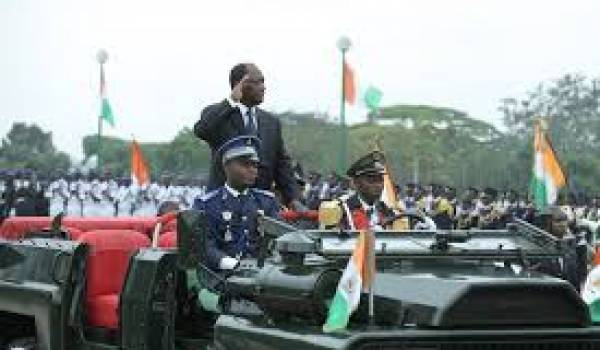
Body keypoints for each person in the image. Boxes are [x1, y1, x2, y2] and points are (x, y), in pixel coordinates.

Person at [194, 63, 302, 210]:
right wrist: (231, 101)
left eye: (263, 82)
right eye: (257, 82)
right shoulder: (220, 115)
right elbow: (202, 130)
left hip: (260, 208)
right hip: (222, 208)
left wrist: (293, 199)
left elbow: (281, 165)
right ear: (239, 85)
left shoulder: (271, 122)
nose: (263, 87)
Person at [194, 135, 280, 272]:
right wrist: (228, 263)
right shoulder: (207, 204)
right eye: (245, 165)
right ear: (226, 167)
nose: (253, 170)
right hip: (221, 277)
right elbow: (204, 245)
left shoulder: (266, 201)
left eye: (255, 165)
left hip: (262, 275)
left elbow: (278, 238)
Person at [325, 151, 404, 231]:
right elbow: (330, 241)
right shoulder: (340, 209)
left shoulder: (387, 211)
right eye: (372, 180)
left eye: (380, 180)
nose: (378, 185)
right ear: (357, 183)